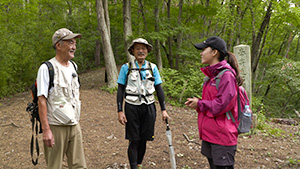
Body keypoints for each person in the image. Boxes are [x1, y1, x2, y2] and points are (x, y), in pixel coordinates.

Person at [185, 36, 244, 169]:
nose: (201, 52)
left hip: (222, 137)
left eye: (204, 49)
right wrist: (197, 103)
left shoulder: (226, 75)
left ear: (214, 52)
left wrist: (200, 103)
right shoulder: (211, 76)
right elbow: (211, 103)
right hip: (211, 134)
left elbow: (222, 105)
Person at [37, 28, 87, 169]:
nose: (74, 46)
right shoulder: (47, 68)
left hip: (74, 124)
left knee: (79, 166)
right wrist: (46, 130)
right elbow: (41, 100)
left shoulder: (73, 67)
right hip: (55, 126)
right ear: (58, 45)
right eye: (70, 42)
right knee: (55, 166)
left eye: (75, 43)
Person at [117, 38, 169, 169]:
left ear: (147, 51)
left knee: (144, 138)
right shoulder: (126, 68)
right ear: (132, 51)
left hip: (149, 106)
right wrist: (120, 111)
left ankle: (139, 165)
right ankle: (134, 167)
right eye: (138, 48)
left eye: (143, 48)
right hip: (131, 106)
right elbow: (120, 89)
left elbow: (159, 88)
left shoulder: (153, 68)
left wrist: (163, 109)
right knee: (134, 139)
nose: (141, 51)